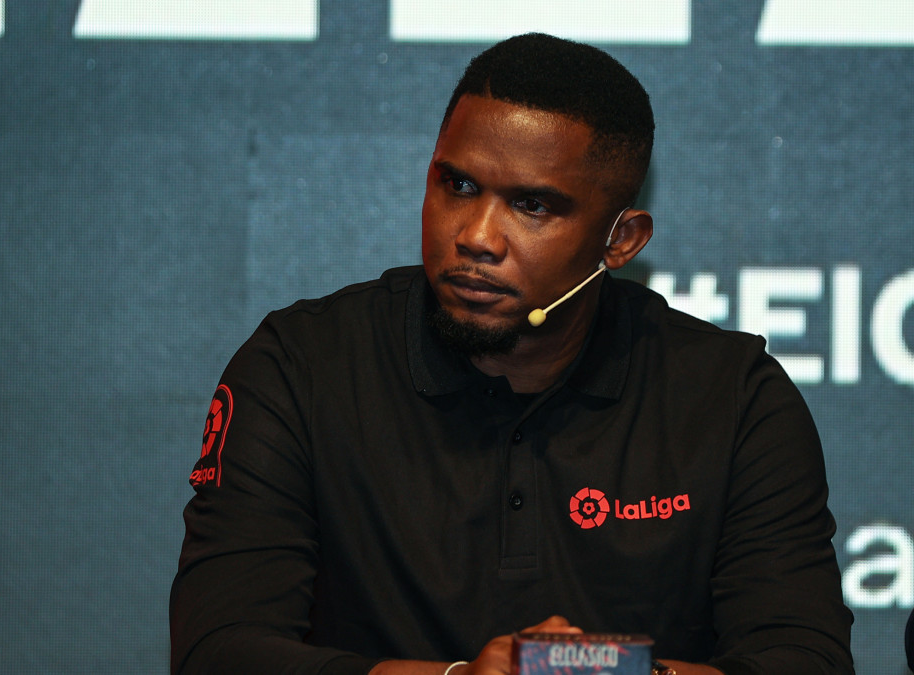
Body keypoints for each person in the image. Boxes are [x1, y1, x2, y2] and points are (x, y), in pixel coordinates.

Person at [170, 33, 854, 675]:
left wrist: (611, 671)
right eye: (458, 185)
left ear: (621, 241)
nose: (476, 236)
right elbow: (219, 651)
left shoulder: (733, 400)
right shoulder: (301, 368)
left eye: (532, 205)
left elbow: (803, 660)